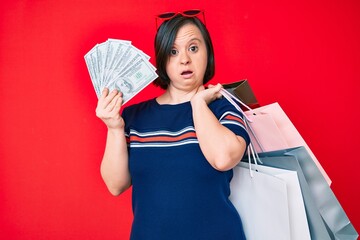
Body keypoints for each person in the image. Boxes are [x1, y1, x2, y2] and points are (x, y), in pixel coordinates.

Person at [95, 11, 250, 240]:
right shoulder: (134, 116)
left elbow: (224, 158)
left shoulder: (224, 107)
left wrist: (198, 104)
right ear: (161, 59)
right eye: (173, 51)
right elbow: (115, 185)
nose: (184, 59)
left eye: (193, 48)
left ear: (208, 53)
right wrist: (114, 128)